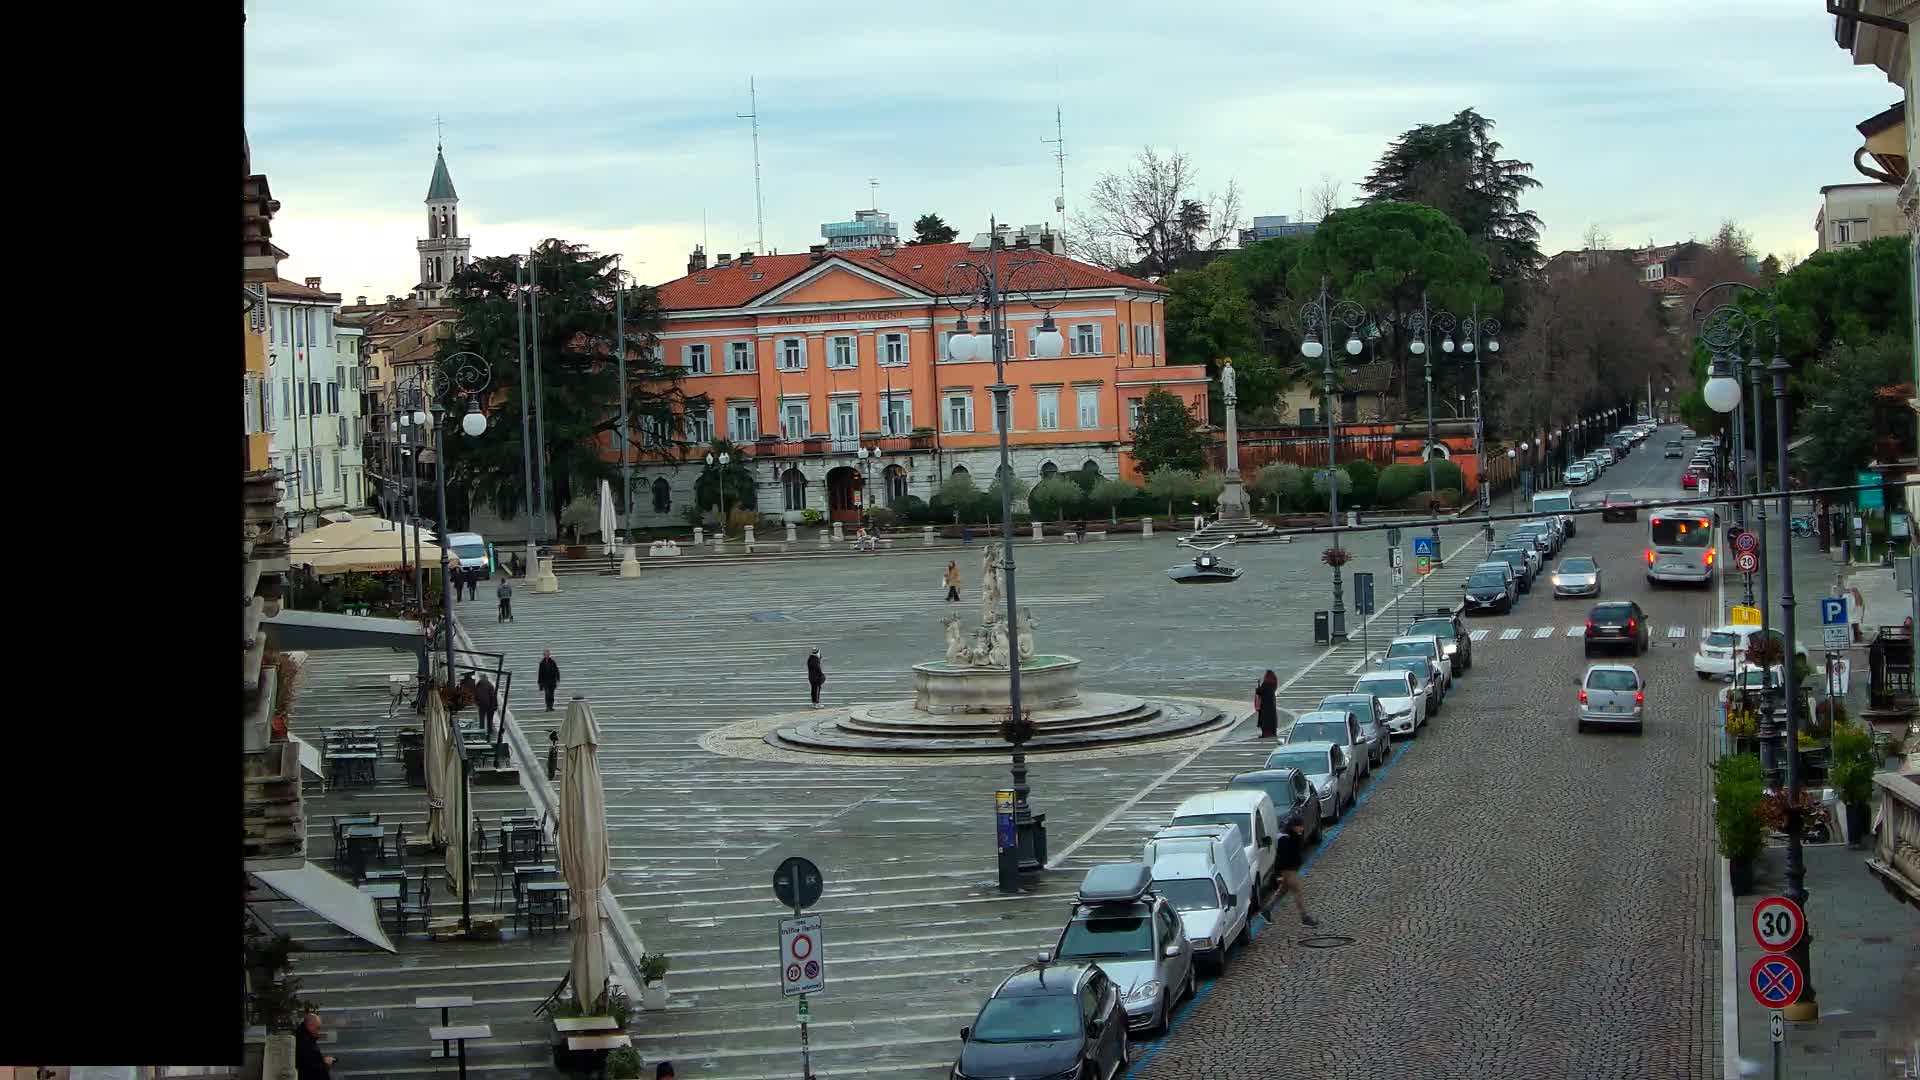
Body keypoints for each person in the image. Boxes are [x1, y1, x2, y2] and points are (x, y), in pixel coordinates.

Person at [1267, 817, 1317, 927]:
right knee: (1298, 892)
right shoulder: (1284, 839)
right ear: (1294, 826)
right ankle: (1304, 918)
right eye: (1300, 826)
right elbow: (1281, 857)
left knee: (1282, 891)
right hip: (1288, 870)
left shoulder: (1294, 836)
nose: (1302, 828)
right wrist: (1278, 874)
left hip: (1292, 868)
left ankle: (1266, 910)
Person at [294, 1011, 335, 1079]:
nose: (318, 1032)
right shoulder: (305, 1042)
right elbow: (309, 1069)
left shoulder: (305, 1039)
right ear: (310, 1025)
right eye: (317, 1028)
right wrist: (325, 1064)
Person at [1254, 669, 1279, 739]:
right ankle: (1273, 733)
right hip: (1271, 704)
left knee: (1264, 720)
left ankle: (1265, 734)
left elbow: (1260, 692)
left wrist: (1258, 687)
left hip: (1265, 705)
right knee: (1272, 720)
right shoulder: (1273, 683)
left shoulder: (1266, 683)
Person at [474, 673, 498, 742]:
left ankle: (481, 732)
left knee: (482, 719)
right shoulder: (490, 685)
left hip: (481, 705)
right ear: (486, 678)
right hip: (490, 705)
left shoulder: (478, 685)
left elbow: (475, 695)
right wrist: (495, 705)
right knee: (489, 720)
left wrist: (477, 703)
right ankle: (489, 733)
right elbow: (493, 696)